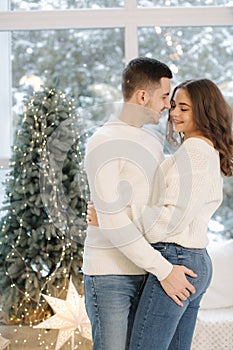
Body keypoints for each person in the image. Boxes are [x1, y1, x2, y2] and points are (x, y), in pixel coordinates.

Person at [83, 57, 197, 350]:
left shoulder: (153, 140)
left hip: (147, 271)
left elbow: (156, 202)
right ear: (142, 96)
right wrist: (164, 269)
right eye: (163, 97)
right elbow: (114, 222)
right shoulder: (102, 141)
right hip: (110, 276)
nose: (167, 106)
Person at [125, 78, 233, 349]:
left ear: (204, 110)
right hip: (191, 258)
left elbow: (167, 222)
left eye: (184, 108)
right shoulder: (202, 150)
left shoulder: (195, 152)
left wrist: (122, 212)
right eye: (173, 106)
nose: (174, 114)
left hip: (176, 258)